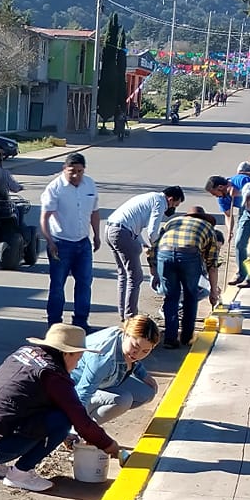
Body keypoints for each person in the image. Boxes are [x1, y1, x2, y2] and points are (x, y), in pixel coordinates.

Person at [0, 323, 125, 493]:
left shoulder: (24, 353)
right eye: (78, 358)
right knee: (62, 420)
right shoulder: (53, 376)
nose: (77, 365)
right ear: (66, 354)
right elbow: (81, 421)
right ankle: (20, 474)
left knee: (51, 413)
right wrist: (110, 446)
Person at [101, 184, 182, 323]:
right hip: (122, 233)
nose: (173, 208)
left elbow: (135, 226)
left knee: (124, 274)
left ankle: (124, 314)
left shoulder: (149, 197)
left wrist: (144, 244)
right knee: (135, 277)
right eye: (175, 204)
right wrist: (158, 247)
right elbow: (152, 231)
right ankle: (131, 316)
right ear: (170, 199)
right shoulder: (160, 202)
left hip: (110, 230)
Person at [39, 151, 101, 330]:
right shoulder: (55, 188)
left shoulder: (89, 184)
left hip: (83, 243)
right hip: (61, 243)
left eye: (80, 171)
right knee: (58, 284)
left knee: (84, 283)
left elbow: (95, 212)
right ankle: (54, 323)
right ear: (64, 169)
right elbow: (45, 217)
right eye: (72, 171)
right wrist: (49, 241)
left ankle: (81, 322)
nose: (76, 175)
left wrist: (96, 235)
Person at [155, 202, 222, 348]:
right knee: (190, 296)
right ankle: (186, 337)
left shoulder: (173, 222)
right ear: (205, 219)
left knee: (171, 297)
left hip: (163, 254)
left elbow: (155, 247)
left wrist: (155, 273)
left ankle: (170, 339)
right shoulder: (208, 229)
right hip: (189, 255)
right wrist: (213, 291)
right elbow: (212, 265)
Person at [71, 316, 161, 422]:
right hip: (73, 389)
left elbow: (134, 360)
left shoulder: (123, 342)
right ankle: (79, 430)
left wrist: (144, 375)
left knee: (147, 392)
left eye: (145, 351)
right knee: (123, 400)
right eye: (135, 347)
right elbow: (84, 392)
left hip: (102, 381)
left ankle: (89, 419)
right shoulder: (103, 358)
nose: (137, 354)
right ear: (126, 334)